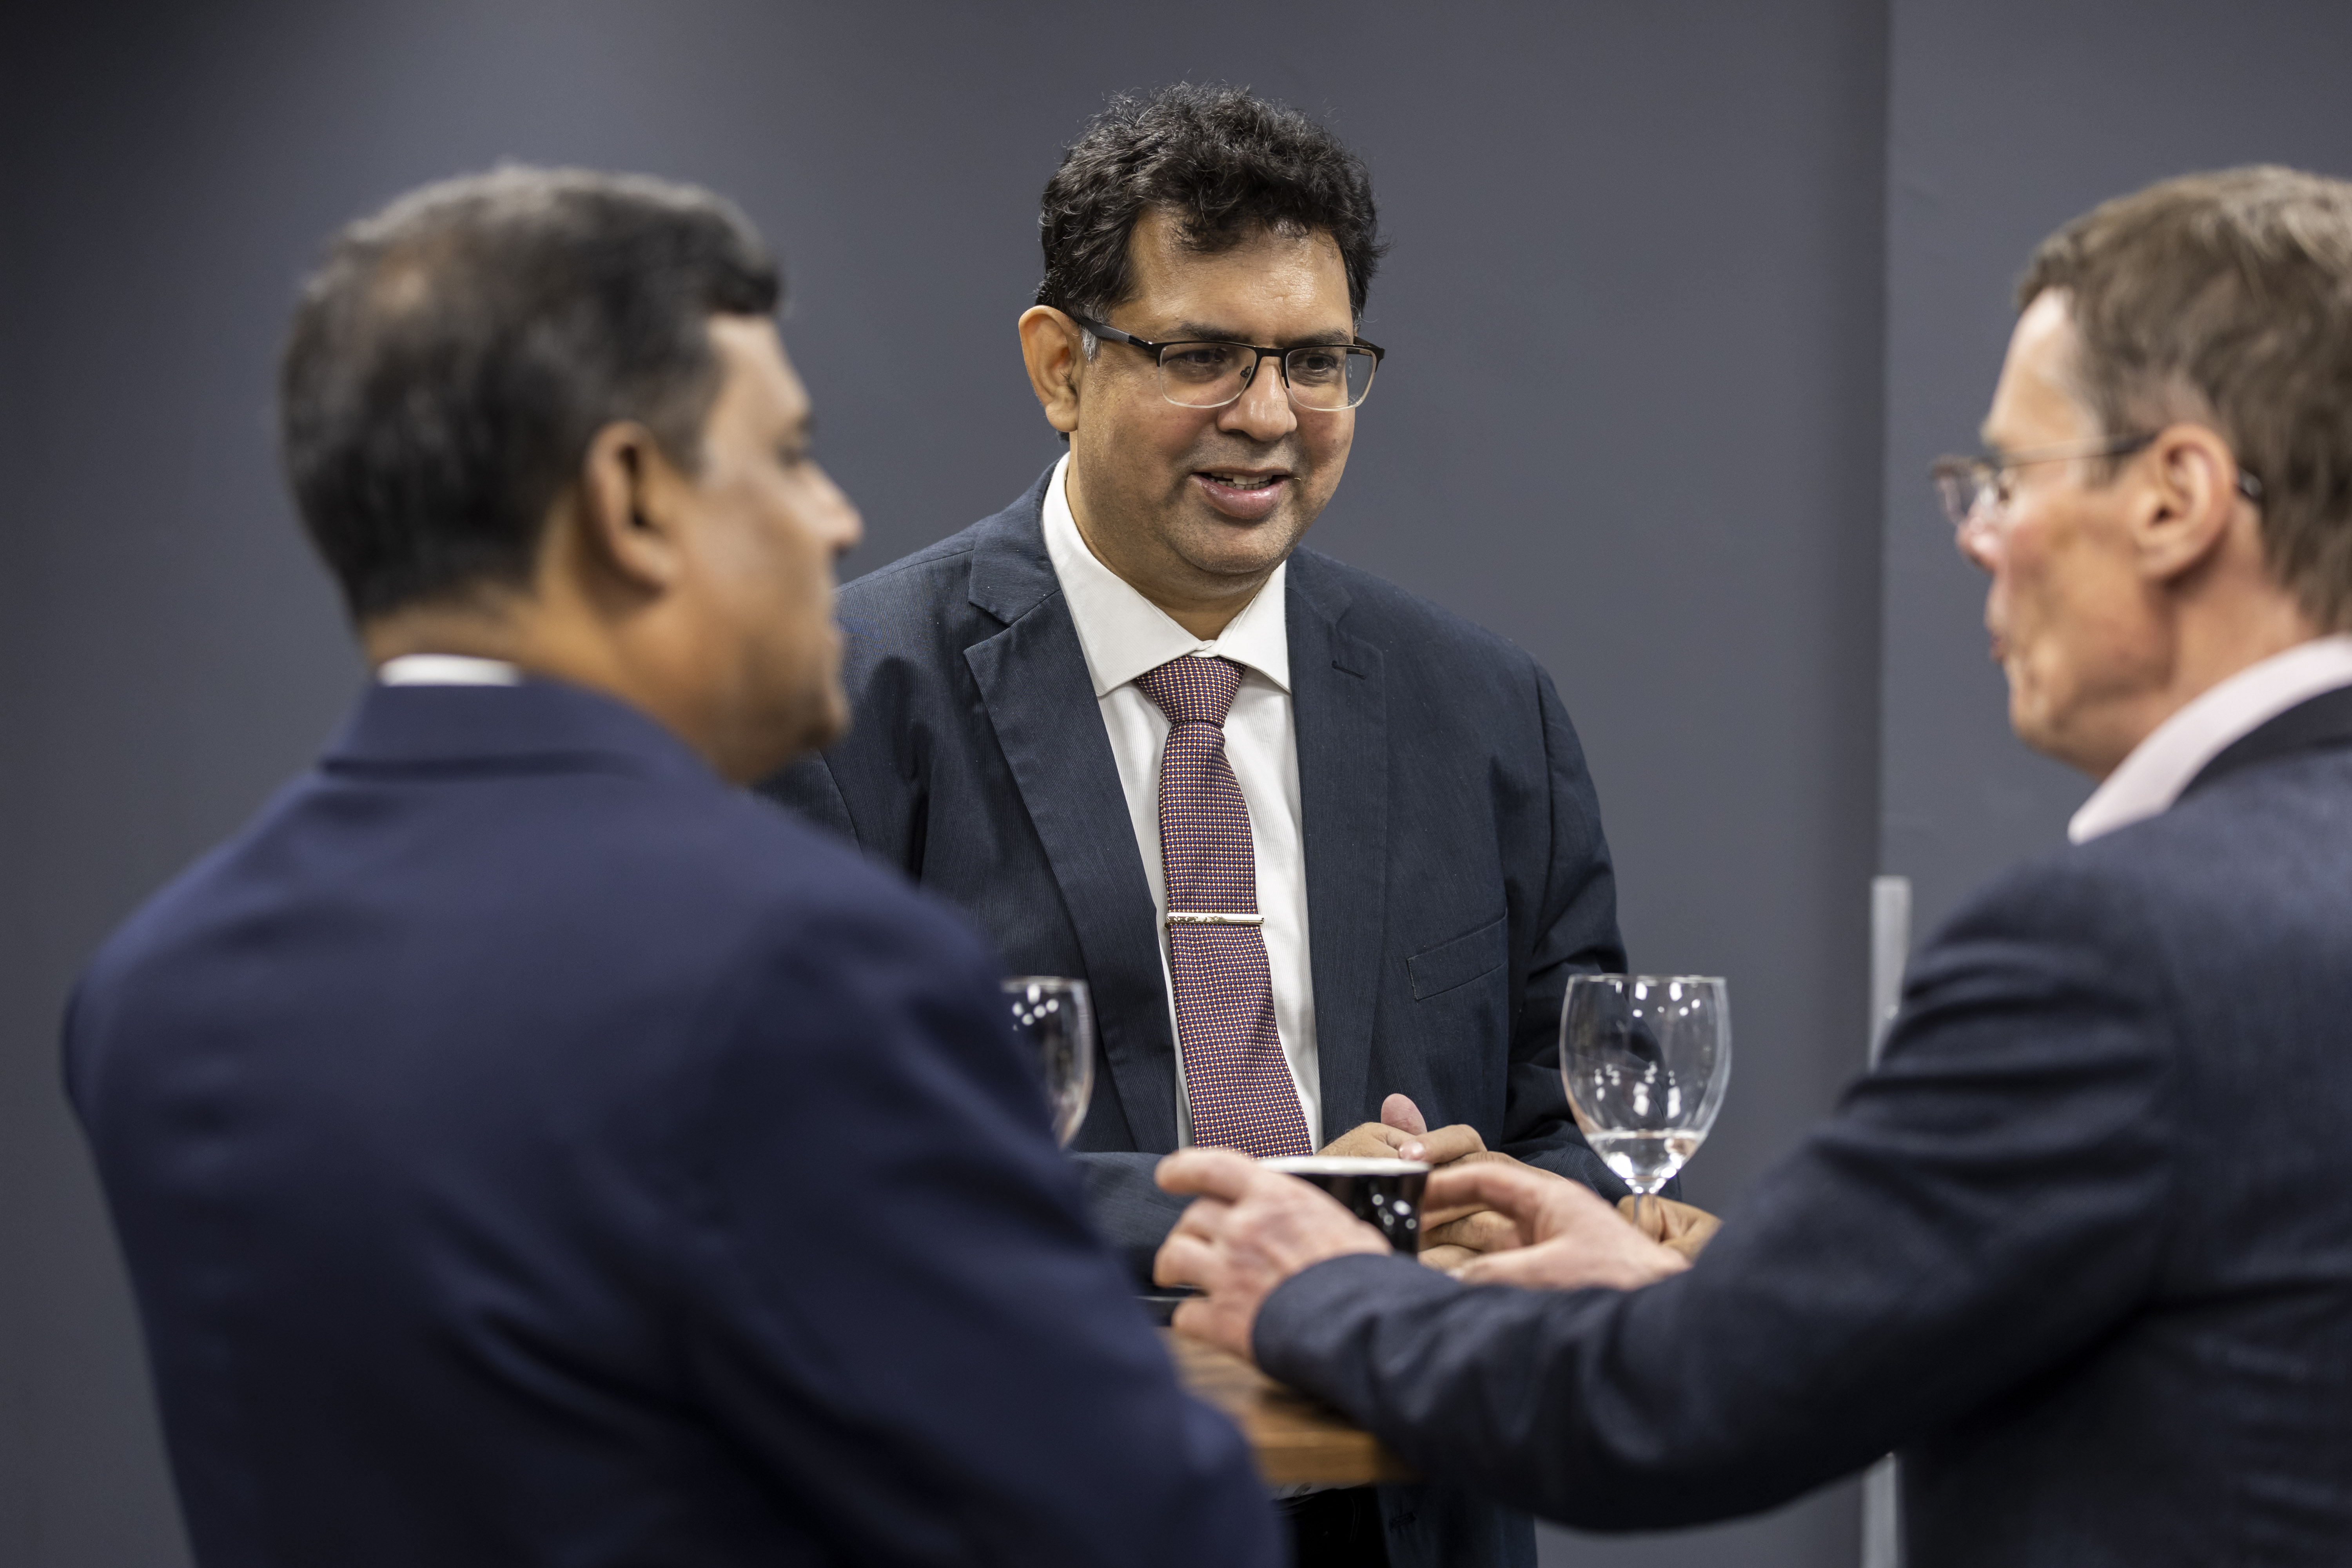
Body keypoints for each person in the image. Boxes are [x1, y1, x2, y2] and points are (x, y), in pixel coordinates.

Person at [63, 167, 1278, 1568]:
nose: (835, 518)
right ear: (632, 500)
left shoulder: (152, 991)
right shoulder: (813, 969)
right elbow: (1143, 1521)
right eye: (789, 455)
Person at [1151, 164, 2352, 1567]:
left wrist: (1317, 1281)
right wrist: (1686, 1293)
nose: (1981, 541)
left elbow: (1675, 1410)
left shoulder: (2122, 950)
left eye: (2008, 480)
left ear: (2175, 500)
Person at [760, 84, 1631, 1568]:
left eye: (1314, 361)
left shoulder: (1489, 709)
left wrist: (1497, 1208)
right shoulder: (838, 703)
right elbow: (809, 1157)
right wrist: (1281, 1221)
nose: (1269, 415)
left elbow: (1588, 1119)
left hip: (1407, 1515)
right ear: (1061, 366)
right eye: (1202, 355)